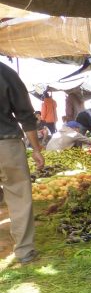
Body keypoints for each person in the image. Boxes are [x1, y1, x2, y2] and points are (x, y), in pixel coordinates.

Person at [0, 62, 44, 264]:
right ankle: (24, 251)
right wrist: (36, 149)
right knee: (18, 193)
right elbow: (25, 114)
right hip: (6, 143)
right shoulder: (5, 72)